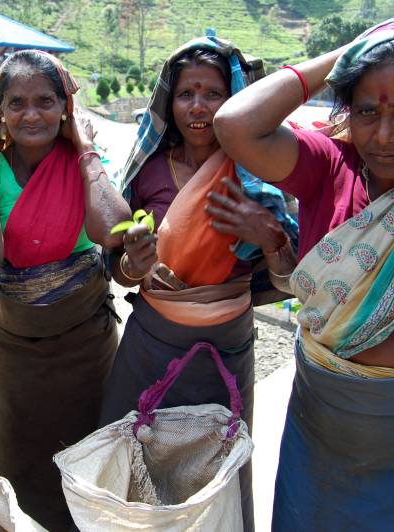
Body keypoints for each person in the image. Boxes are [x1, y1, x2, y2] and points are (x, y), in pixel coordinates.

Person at [214, 14, 394, 531]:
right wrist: (356, 49)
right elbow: (235, 125)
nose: (383, 135)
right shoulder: (331, 164)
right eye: (367, 111)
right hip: (321, 430)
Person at [98, 34, 299, 532]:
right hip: (150, 345)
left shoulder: (260, 176)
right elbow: (118, 269)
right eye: (187, 93)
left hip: (225, 349)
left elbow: (291, 283)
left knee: (220, 470)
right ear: (171, 101)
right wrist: (135, 265)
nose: (198, 107)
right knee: (134, 461)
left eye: (213, 93)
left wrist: (268, 235)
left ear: (235, 101)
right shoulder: (146, 175)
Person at [0, 49, 131, 530]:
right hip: (16, 357)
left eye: (45, 101)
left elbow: (114, 232)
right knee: (22, 466)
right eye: (17, 103)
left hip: (87, 350)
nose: (31, 114)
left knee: (91, 466)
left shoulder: (83, 164)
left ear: (65, 108)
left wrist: (87, 151)